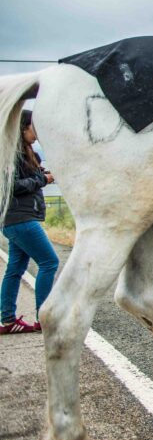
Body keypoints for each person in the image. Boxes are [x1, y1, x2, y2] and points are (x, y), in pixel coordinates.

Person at [1, 111, 59, 334]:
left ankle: (7, 320)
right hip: (20, 219)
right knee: (49, 262)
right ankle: (43, 318)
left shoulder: (23, 154)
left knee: (15, 268)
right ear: (23, 128)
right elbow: (12, 186)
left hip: (16, 219)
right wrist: (42, 179)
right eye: (33, 127)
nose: (37, 132)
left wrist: (40, 174)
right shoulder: (10, 154)